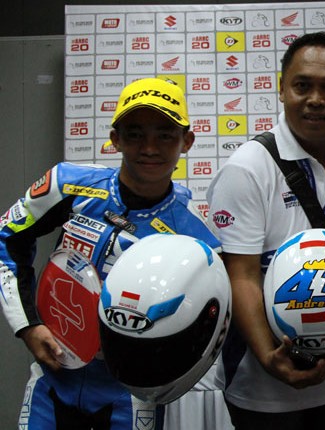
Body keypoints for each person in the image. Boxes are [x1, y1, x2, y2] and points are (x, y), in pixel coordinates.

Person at [0, 77, 221, 429]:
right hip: (52, 375)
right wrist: (28, 326)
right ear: (115, 138)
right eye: (135, 134)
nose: (149, 148)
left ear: (187, 141)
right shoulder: (68, 184)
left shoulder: (195, 235)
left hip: (130, 393)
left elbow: (207, 326)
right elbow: (6, 239)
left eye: (165, 135)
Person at [205, 31, 325, 430]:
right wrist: (270, 358)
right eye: (302, 86)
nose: (315, 99)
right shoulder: (248, 168)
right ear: (282, 89)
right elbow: (241, 274)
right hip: (263, 386)